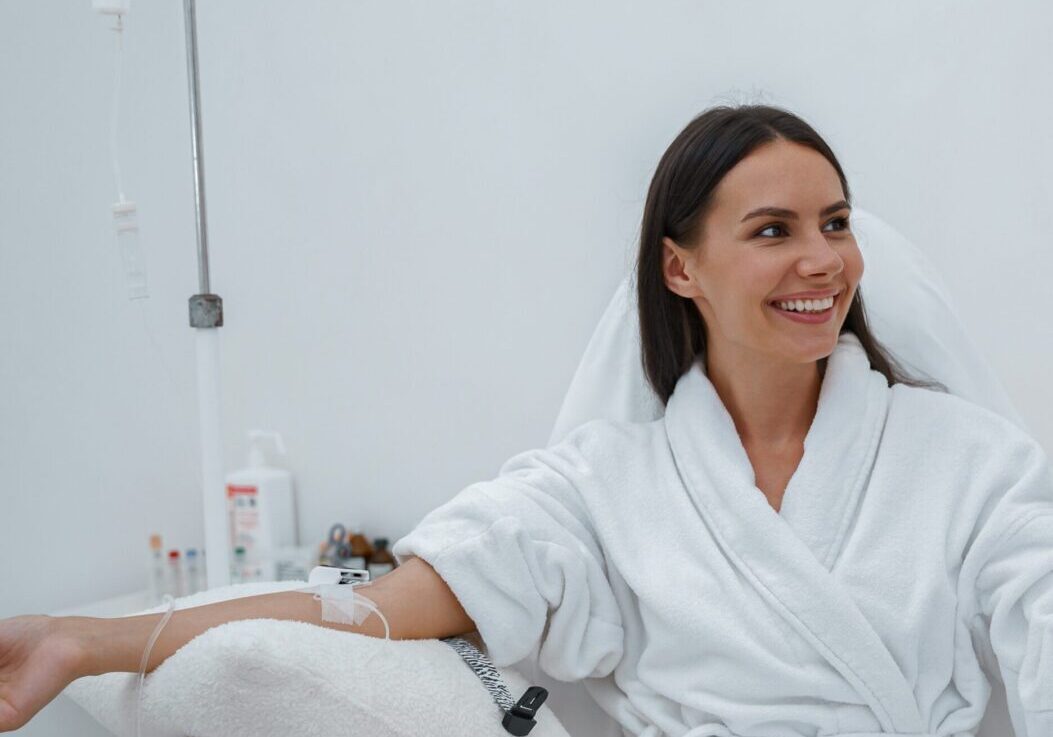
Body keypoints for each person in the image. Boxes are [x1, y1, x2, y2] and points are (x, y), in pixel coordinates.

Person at [2, 104, 1050, 736]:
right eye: (773, 230)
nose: (820, 259)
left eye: (833, 223)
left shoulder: (966, 461)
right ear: (679, 265)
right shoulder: (599, 490)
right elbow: (371, 609)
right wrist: (89, 638)